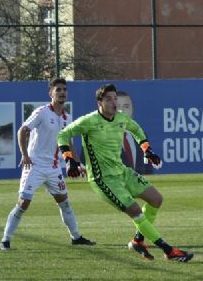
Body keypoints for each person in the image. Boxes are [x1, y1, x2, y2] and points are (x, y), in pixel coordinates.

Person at [58, 83, 192, 262]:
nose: (114, 103)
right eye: (108, 99)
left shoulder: (121, 118)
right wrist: (69, 159)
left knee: (156, 199)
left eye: (115, 99)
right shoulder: (89, 121)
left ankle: (138, 241)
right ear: (100, 102)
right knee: (135, 210)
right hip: (103, 179)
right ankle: (168, 250)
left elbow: (137, 130)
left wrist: (147, 150)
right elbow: (63, 135)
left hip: (122, 172)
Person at [0, 78, 95, 251]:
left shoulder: (68, 118)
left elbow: (68, 143)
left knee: (64, 202)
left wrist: (77, 162)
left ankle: (76, 237)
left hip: (53, 168)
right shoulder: (42, 112)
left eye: (64, 89)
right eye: (58, 89)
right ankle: (5, 240)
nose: (62, 92)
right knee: (23, 204)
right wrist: (24, 155)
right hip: (34, 166)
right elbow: (22, 130)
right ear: (51, 93)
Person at [116, 91, 153, 175]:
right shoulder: (100, 137)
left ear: (132, 110)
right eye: (118, 107)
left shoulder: (141, 135)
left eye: (126, 107)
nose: (122, 111)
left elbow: (148, 170)